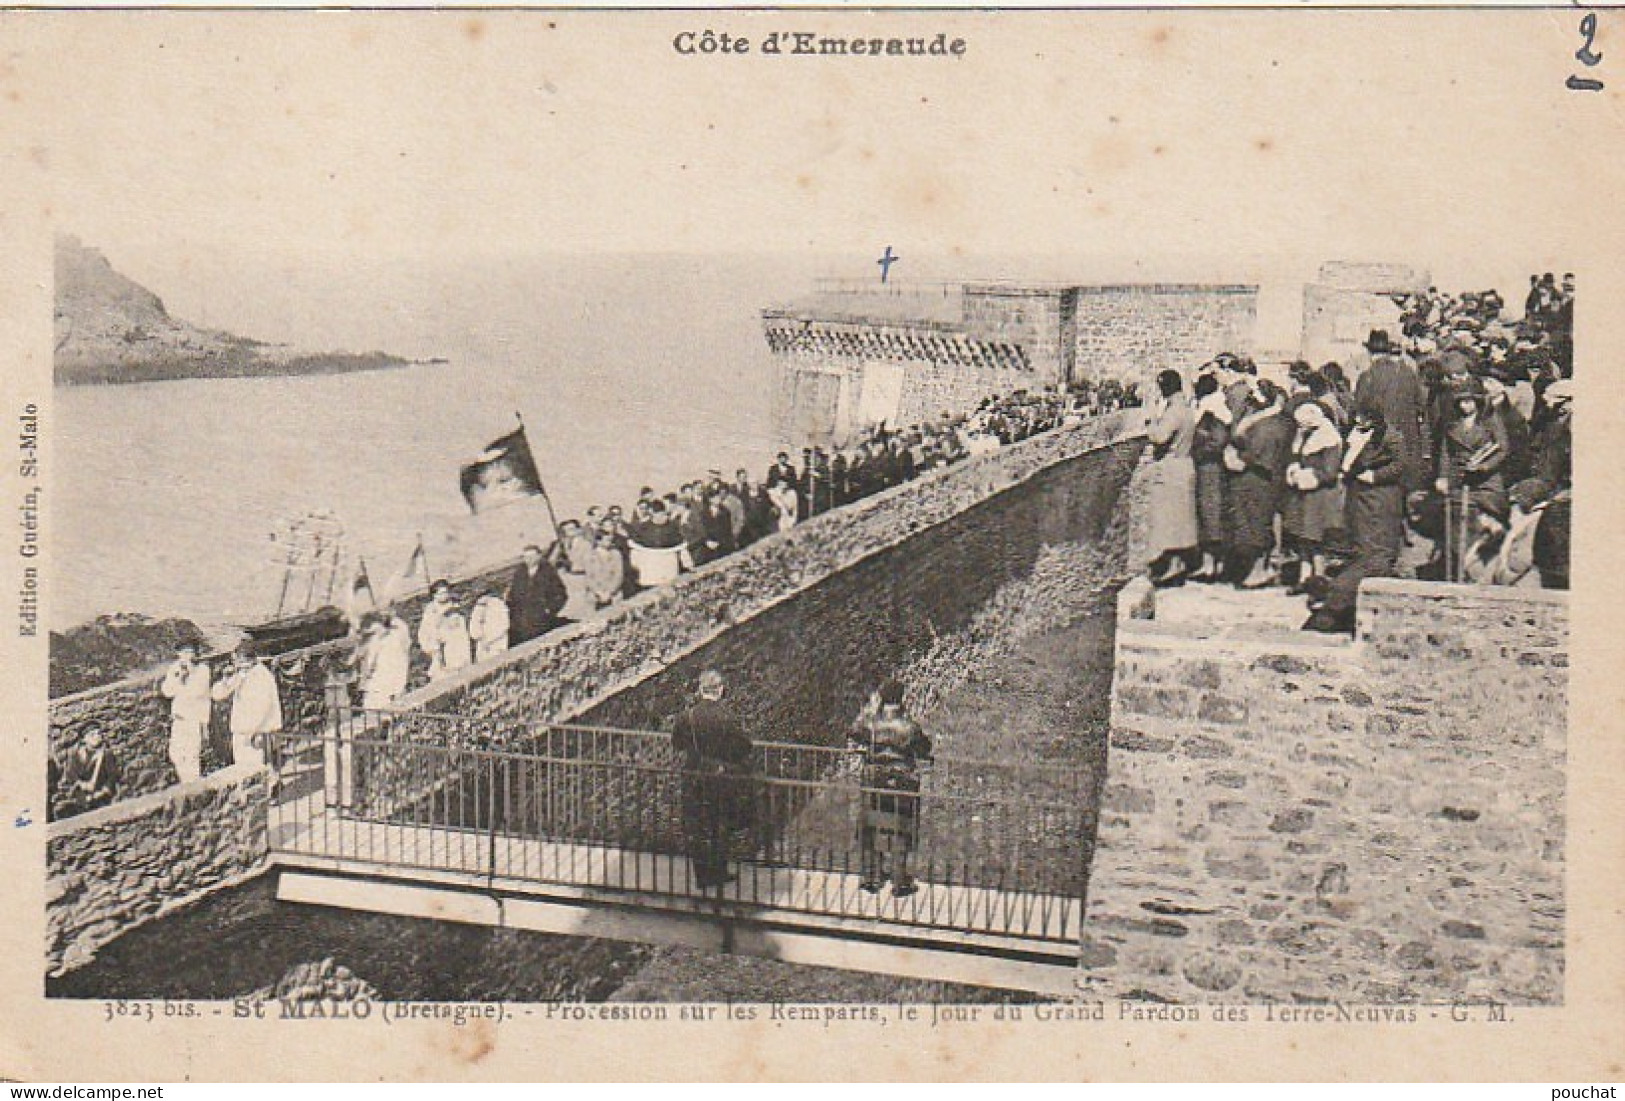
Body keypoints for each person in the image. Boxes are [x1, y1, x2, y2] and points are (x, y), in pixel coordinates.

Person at [1309, 406, 1405, 634]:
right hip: (1358, 496)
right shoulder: (1355, 434)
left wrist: (1375, 476)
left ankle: (1343, 603)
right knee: (1360, 544)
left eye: (1363, 418)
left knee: (1375, 548)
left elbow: (1400, 465)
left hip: (1379, 498)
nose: (1359, 421)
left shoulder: (1392, 437)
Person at [669, 669, 755, 891]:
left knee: (698, 826)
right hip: (720, 777)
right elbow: (744, 746)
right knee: (720, 824)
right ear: (720, 689)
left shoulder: (686, 716)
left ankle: (702, 875)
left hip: (694, 776)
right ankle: (719, 871)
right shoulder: (728, 716)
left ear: (700, 690)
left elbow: (677, 744)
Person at [848, 679, 933, 897]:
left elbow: (855, 733)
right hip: (901, 781)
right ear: (901, 699)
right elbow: (924, 748)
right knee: (902, 827)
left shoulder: (870, 723)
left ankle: (871, 876)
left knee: (870, 825)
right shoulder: (909, 726)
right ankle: (900, 879)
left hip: (874, 779)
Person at [1222, 380, 1294, 588]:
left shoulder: (1268, 426)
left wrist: (1239, 458)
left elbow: (1256, 453)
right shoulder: (1276, 422)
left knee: (1256, 525)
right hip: (1263, 479)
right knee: (1259, 523)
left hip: (1258, 480)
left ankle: (1260, 570)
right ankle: (1261, 568)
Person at [1352, 330, 1431, 494]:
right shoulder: (1409, 374)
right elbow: (1421, 405)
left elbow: (1358, 412)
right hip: (1408, 443)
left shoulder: (1368, 376)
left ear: (1369, 353)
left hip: (1382, 444)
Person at [1281, 399, 1345, 593]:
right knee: (1304, 538)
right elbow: (1297, 456)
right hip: (1305, 495)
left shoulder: (1329, 438)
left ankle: (1318, 579)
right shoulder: (1306, 434)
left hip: (1320, 495)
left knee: (1316, 539)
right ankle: (1304, 577)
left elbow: (1330, 471)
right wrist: (1294, 470)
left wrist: (1307, 476)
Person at [1143, 368, 1199, 586]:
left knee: (1170, 520)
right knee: (1179, 520)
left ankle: (1173, 567)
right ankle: (1176, 565)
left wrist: (1150, 419)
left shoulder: (1174, 411)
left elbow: (1160, 436)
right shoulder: (1184, 408)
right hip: (1183, 465)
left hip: (1171, 467)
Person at [212, 641, 283, 785]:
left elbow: (262, 708)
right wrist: (226, 681)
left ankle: (269, 793)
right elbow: (217, 694)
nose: (236, 664)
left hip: (255, 731)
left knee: (254, 769)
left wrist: (252, 732)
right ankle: (272, 787)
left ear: (249, 659)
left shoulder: (262, 676)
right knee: (248, 768)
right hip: (241, 731)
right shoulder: (242, 674)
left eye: (238, 660)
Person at [1189, 371, 1232, 582]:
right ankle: (1214, 564)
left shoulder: (1213, 412)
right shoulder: (1214, 409)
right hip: (1209, 466)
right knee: (1210, 513)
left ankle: (1212, 566)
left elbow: (1216, 442)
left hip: (1210, 467)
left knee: (1211, 514)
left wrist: (1197, 446)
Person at [159, 640, 211, 783]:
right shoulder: (175, 668)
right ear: (179, 654)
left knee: (192, 756)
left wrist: (190, 675)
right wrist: (178, 678)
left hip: (193, 721)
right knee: (176, 754)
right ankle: (185, 783)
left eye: (190, 652)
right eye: (184, 652)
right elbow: (167, 691)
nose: (187, 656)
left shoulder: (202, 670)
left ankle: (193, 786)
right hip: (178, 720)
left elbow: (198, 693)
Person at [506, 542, 569, 646]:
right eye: (526, 557)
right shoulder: (519, 573)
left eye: (532, 556)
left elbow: (561, 594)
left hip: (542, 617)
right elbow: (513, 594)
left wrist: (550, 610)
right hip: (523, 619)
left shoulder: (548, 572)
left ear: (539, 556)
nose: (529, 560)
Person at [58, 725, 121, 814]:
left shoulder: (106, 754)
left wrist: (104, 791)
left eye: (98, 734)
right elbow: (70, 775)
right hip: (79, 795)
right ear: (84, 740)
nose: (96, 737)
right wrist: (80, 784)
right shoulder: (75, 755)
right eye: (92, 735)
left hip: (99, 796)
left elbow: (112, 776)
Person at [417, 580, 472, 680]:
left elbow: (462, 629)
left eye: (446, 592)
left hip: (458, 648)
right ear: (434, 595)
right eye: (441, 593)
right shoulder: (430, 612)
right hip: (441, 651)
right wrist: (432, 647)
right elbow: (424, 634)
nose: (444, 595)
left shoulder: (455, 607)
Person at [357, 610, 412, 710]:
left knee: (384, 702)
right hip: (379, 680)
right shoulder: (374, 641)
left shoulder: (393, 637)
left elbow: (402, 657)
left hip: (388, 677)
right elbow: (368, 664)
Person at [467, 588, 511, 662]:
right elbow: (474, 632)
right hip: (484, 649)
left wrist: (489, 640)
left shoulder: (499, 605)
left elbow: (504, 626)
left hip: (497, 646)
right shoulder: (478, 607)